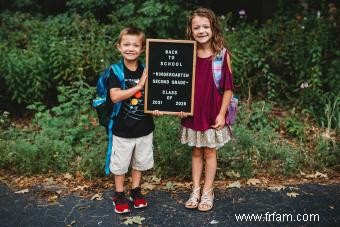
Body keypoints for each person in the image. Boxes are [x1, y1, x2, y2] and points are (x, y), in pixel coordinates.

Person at [179, 8, 234, 212]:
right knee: (196, 151)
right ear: (190, 30)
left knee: (210, 151)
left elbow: (228, 88)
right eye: (196, 27)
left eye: (205, 26)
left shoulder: (222, 54)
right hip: (193, 111)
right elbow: (178, 85)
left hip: (212, 111)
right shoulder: (186, 53)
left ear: (213, 28)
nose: (201, 30)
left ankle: (208, 191)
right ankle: (195, 189)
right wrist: (180, 106)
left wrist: (222, 113)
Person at [107, 27, 157, 214]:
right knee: (120, 164)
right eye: (126, 44)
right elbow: (115, 96)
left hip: (144, 127)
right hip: (122, 128)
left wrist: (157, 108)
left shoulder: (147, 69)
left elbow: (154, 97)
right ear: (119, 47)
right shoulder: (116, 71)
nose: (131, 48)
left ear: (142, 49)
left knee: (139, 162)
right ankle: (119, 194)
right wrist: (139, 85)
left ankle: (135, 191)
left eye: (135, 45)